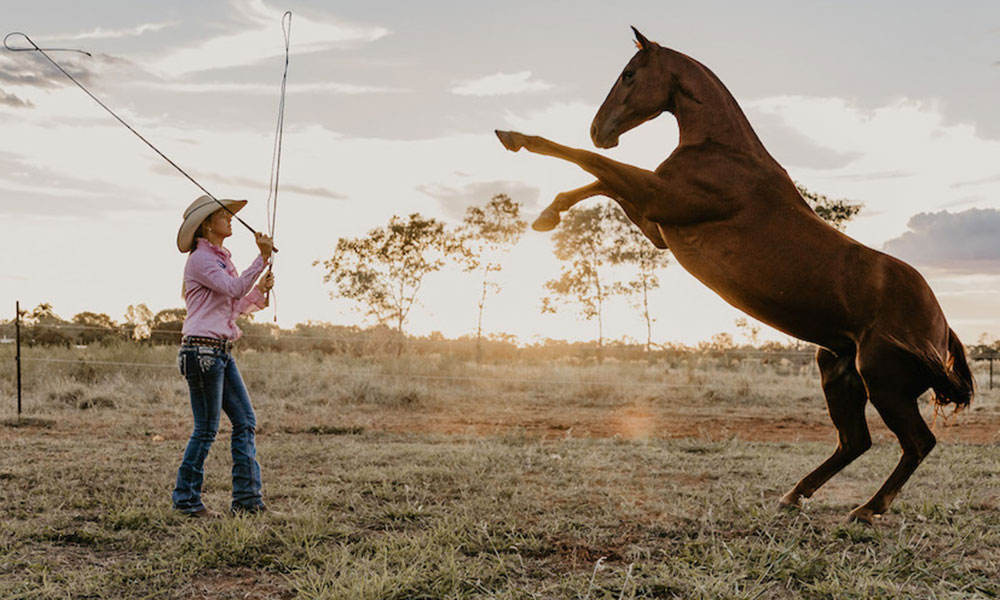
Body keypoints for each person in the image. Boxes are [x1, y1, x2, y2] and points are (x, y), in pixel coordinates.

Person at [172, 195, 275, 518]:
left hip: (218, 351)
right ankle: (186, 501)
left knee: (245, 421)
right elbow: (233, 289)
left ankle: (247, 502)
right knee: (206, 430)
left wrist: (260, 290)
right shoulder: (201, 260)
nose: (230, 219)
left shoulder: (219, 260)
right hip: (202, 351)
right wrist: (261, 258)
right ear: (207, 224)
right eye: (224, 215)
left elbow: (234, 303)